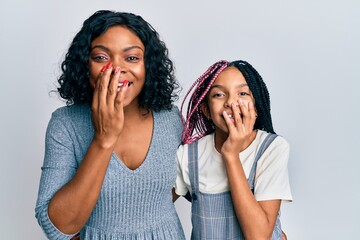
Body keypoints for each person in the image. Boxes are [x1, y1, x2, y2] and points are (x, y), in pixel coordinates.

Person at [35, 10, 186, 240]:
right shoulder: (65, 124)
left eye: (132, 58)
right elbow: (58, 226)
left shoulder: (171, 118)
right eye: (101, 57)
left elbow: (183, 185)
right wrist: (103, 140)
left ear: (148, 67)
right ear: (85, 65)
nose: (116, 69)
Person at [173, 60, 292, 239]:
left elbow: (258, 236)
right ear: (206, 110)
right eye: (219, 94)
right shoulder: (189, 155)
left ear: (256, 107)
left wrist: (231, 155)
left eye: (242, 93)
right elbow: (154, 207)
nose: (231, 102)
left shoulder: (271, 148)